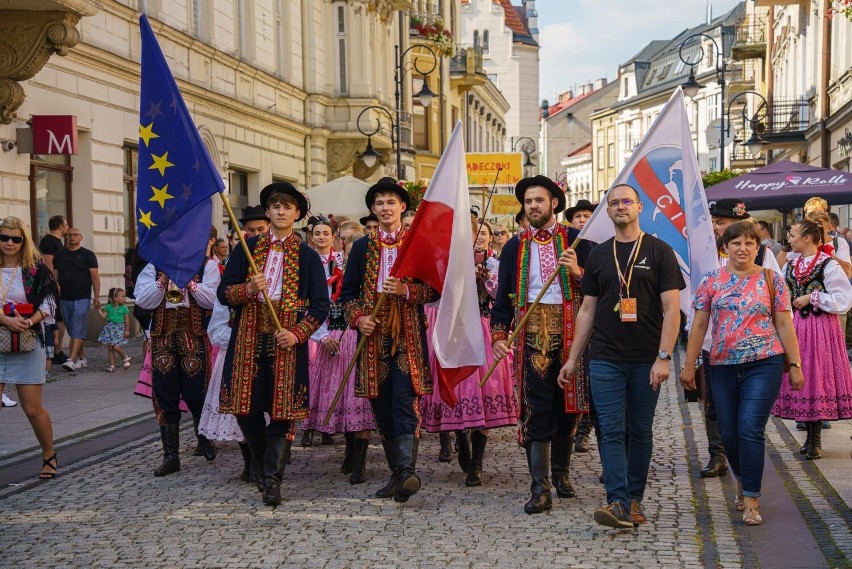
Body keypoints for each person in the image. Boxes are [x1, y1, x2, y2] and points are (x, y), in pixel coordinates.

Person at [559, 183, 684, 529]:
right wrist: (572, 358)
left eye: (626, 201)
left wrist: (663, 357)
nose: (619, 207)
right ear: (608, 211)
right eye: (613, 203)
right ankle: (617, 500)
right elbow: (587, 310)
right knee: (610, 429)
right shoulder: (599, 254)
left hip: (646, 357)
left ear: (639, 207)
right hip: (604, 357)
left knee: (640, 430)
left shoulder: (660, 251)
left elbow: (672, 311)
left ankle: (634, 498)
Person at [682, 221, 804, 526]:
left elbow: (785, 324)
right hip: (722, 365)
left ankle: (751, 498)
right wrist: (689, 363)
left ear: (758, 247)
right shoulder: (711, 281)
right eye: (736, 243)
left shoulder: (772, 280)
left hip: (765, 362)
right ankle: (741, 477)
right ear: (726, 247)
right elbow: (699, 325)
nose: (743, 248)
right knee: (730, 433)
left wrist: (795, 364)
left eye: (750, 243)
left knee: (750, 427)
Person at [218, 182, 329, 506]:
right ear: (268, 212)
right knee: (245, 409)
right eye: (275, 206)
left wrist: (297, 333)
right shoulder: (246, 248)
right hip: (249, 339)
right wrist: (248, 289)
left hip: (285, 342)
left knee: (283, 414)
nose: (281, 211)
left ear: (297, 214)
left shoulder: (307, 256)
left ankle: (271, 481)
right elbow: (223, 293)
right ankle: (264, 460)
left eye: (287, 207)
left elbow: (320, 306)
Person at [492, 175, 592, 514]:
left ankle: (562, 474)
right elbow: (502, 297)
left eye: (539, 200)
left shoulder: (578, 240)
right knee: (537, 407)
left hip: (570, 331)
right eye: (528, 201)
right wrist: (498, 335)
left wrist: (578, 271)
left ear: (554, 203)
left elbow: (598, 288)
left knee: (569, 406)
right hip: (530, 332)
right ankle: (540, 487)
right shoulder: (514, 246)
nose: (533, 205)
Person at [340, 177, 438, 503]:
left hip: (407, 336)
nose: (385, 207)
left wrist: (407, 290)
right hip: (372, 340)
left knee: (403, 403)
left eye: (391, 202)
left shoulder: (416, 243)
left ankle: (407, 472)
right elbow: (348, 295)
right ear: (372, 208)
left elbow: (434, 289)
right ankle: (399, 475)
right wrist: (359, 318)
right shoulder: (362, 248)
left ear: (402, 207)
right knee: (381, 408)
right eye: (379, 203)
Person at [422, 218, 519, 487]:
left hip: (483, 330)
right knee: (457, 389)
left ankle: (476, 463)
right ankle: (460, 437)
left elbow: (503, 296)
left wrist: (485, 280)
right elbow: (433, 297)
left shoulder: (492, 263)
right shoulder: (445, 262)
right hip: (454, 331)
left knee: (483, 389)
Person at [697, 199, 781, 480]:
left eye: (722, 222)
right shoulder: (704, 251)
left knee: (748, 419)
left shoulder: (762, 254)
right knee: (714, 405)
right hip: (714, 344)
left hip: (757, 350)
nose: (717, 226)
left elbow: (778, 301)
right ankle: (718, 454)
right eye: (716, 221)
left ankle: (746, 482)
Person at [135, 246, 221, 477]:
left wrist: (190, 283)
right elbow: (143, 301)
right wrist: (163, 279)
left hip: (193, 334)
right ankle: (171, 456)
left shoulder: (207, 266)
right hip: (163, 335)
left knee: (196, 392)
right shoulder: (154, 266)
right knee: (164, 394)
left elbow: (212, 300)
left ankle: (203, 435)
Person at [302, 217, 375, 484]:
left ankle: (360, 460)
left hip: (356, 335)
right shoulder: (324, 266)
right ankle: (349, 447)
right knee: (338, 397)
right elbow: (315, 302)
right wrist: (321, 336)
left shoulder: (359, 271)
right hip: (331, 334)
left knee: (359, 400)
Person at [772, 219, 852, 459]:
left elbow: (843, 299)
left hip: (820, 327)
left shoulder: (828, 264)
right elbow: (780, 290)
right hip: (796, 327)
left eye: (793, 234)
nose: (789, 238)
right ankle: (809, 435)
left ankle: (815, 439)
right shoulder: (791, 264)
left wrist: (812, 297)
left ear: (807, 238)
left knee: (816, 376)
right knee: (801, 376)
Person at [0, 216, 59, 479]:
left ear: (24, 241)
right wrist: (5, 320)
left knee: (32, 408)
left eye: (15, 238)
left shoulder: (36, 269)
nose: (9, 243)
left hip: (27, 339)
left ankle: (49, 455)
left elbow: (49, 301)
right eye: (4, 238)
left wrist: (28, 322)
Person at [199, 298, 254, 483]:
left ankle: (260, 461)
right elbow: (215, 330)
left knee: (262, 413)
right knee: (237, 414)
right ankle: (249, 463)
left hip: (264, 353)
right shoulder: (228, 292)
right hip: (234, 354)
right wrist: (243, 337)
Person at [54, 228, 100, 371]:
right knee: (73, 329)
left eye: (75, 235)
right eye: (69, 235)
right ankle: (82, 359)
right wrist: (56, 292)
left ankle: (71, 360)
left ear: (81, 237)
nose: (72, 237)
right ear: (66, 237)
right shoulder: (60, 255)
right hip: (64, 298)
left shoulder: (88, 255)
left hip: (82, 297)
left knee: (77, 328)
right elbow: (55, 277)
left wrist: (97, 296)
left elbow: (95, 277)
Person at [38, 215, 68, 366]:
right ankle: (55, 351)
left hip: (58, 284)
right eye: (66, 225)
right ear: (61, 227)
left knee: (60, 318)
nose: (68, 228)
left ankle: (58, 350)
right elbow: (49, 265)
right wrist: (56, 284)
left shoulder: (58, 242)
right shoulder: (49, 241)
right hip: (52, 285)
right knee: (57, 318)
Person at [96, 287, 131, 372]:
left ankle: (125, 357)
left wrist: (127, 330)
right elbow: (103, 316)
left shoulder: (124, 308)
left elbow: (126, 320)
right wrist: (98, 309)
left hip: (119, 329)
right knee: (111, 348)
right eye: (122, 296)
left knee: (116, 347)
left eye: (124, 296)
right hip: (110, 329)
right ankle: (112, 365)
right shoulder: (108, 307)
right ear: (115, 298)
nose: (124, 298)